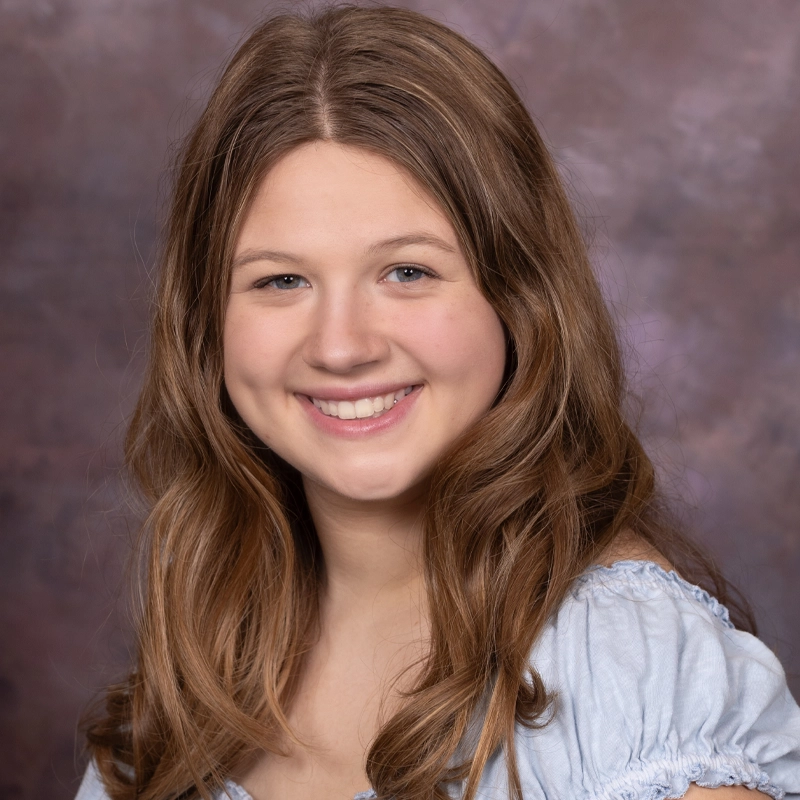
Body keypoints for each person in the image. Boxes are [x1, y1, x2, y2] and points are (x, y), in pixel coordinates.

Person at [75, 5, 800, 800]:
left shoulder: (630, 666)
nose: (342, 346)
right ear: (206, 325)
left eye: (407, 272)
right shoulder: (189, 682)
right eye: (281, 280)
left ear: (518, 297)